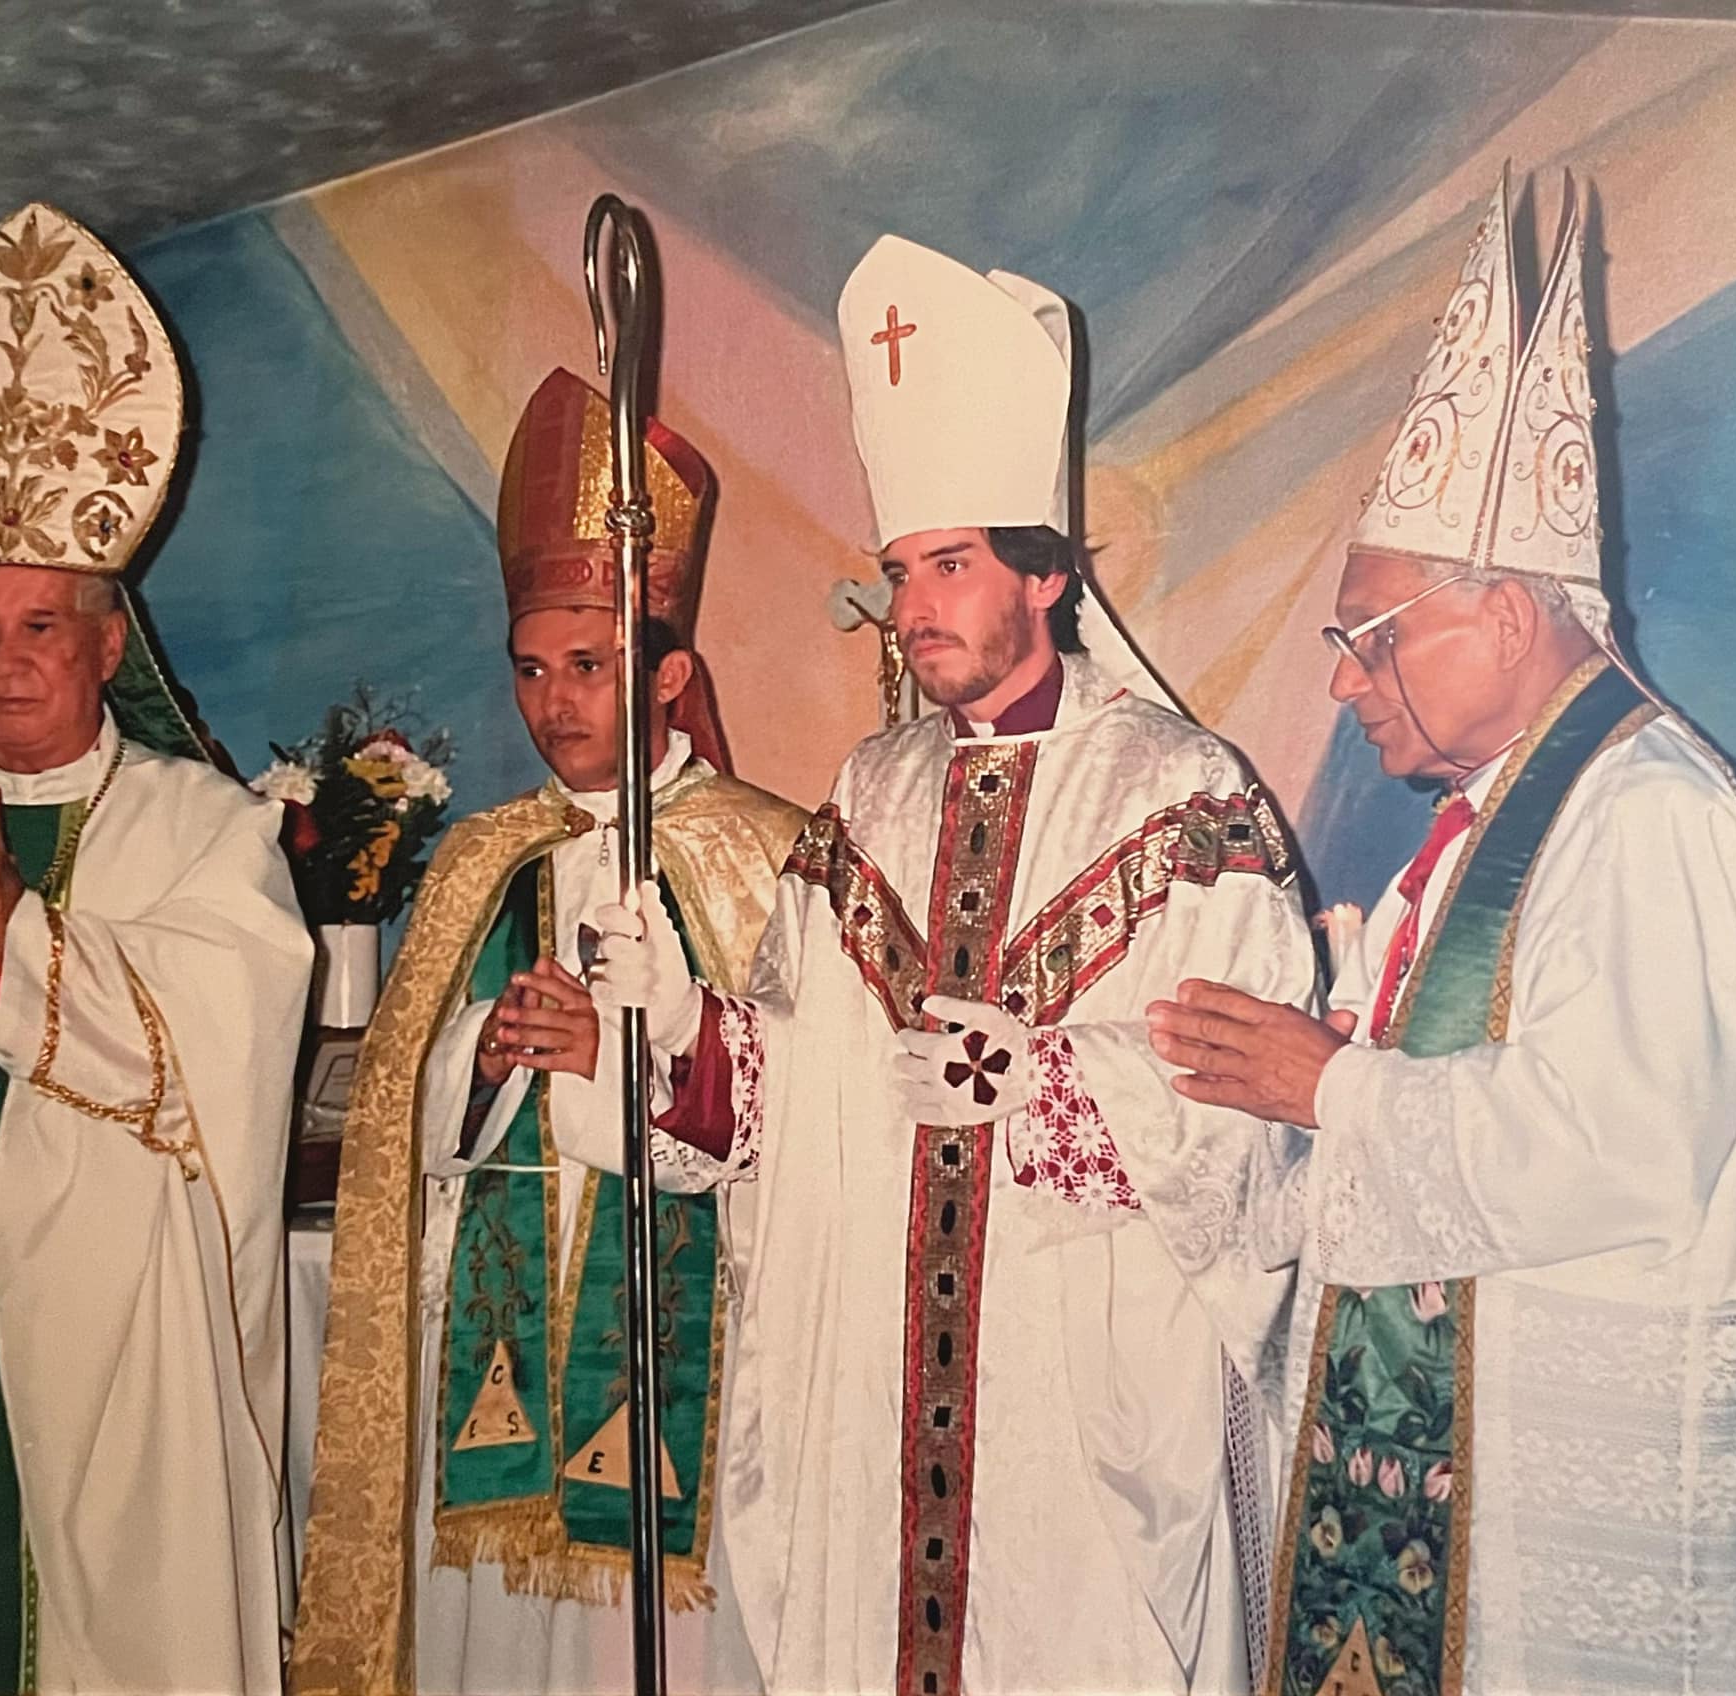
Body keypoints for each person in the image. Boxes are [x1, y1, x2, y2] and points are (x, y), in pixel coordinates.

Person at [1146, 168, 1736, 1695]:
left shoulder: (1648, 809)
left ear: (1513, 614)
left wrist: (1329, 1086)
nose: (1344, 681)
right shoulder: (1483, 828)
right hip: (1471, 1502)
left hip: (1580, 1518)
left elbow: (1622, 1144)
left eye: (1372, 638)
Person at [598, 234, 1315, 1694]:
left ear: (1045, 577)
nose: (915, 606)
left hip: (1072, 1385)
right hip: (881, 1383)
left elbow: (1249, 1096)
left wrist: (1045, 1083)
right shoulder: (872, 792)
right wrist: (686, 1030)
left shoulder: (1183, 794)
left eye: (950, 566)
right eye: (899, 572)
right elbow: (804, 1074)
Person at [0, 203, 312, 1695]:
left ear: (108, 643)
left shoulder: (206, 830)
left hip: (117, 1326)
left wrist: (24, 940)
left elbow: (222, 1051)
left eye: (42, 628)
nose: (7, 662)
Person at [291, 369, 806, 1696]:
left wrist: (621, 1066)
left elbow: (813, 1108)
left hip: (695, 1352)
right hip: (492, 1346)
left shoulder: (772, 855)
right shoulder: (481, 857)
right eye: (531, 669)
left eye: (590, 666)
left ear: (670, 671)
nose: (554, 702)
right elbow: (397, 1111)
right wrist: (479, 1057)